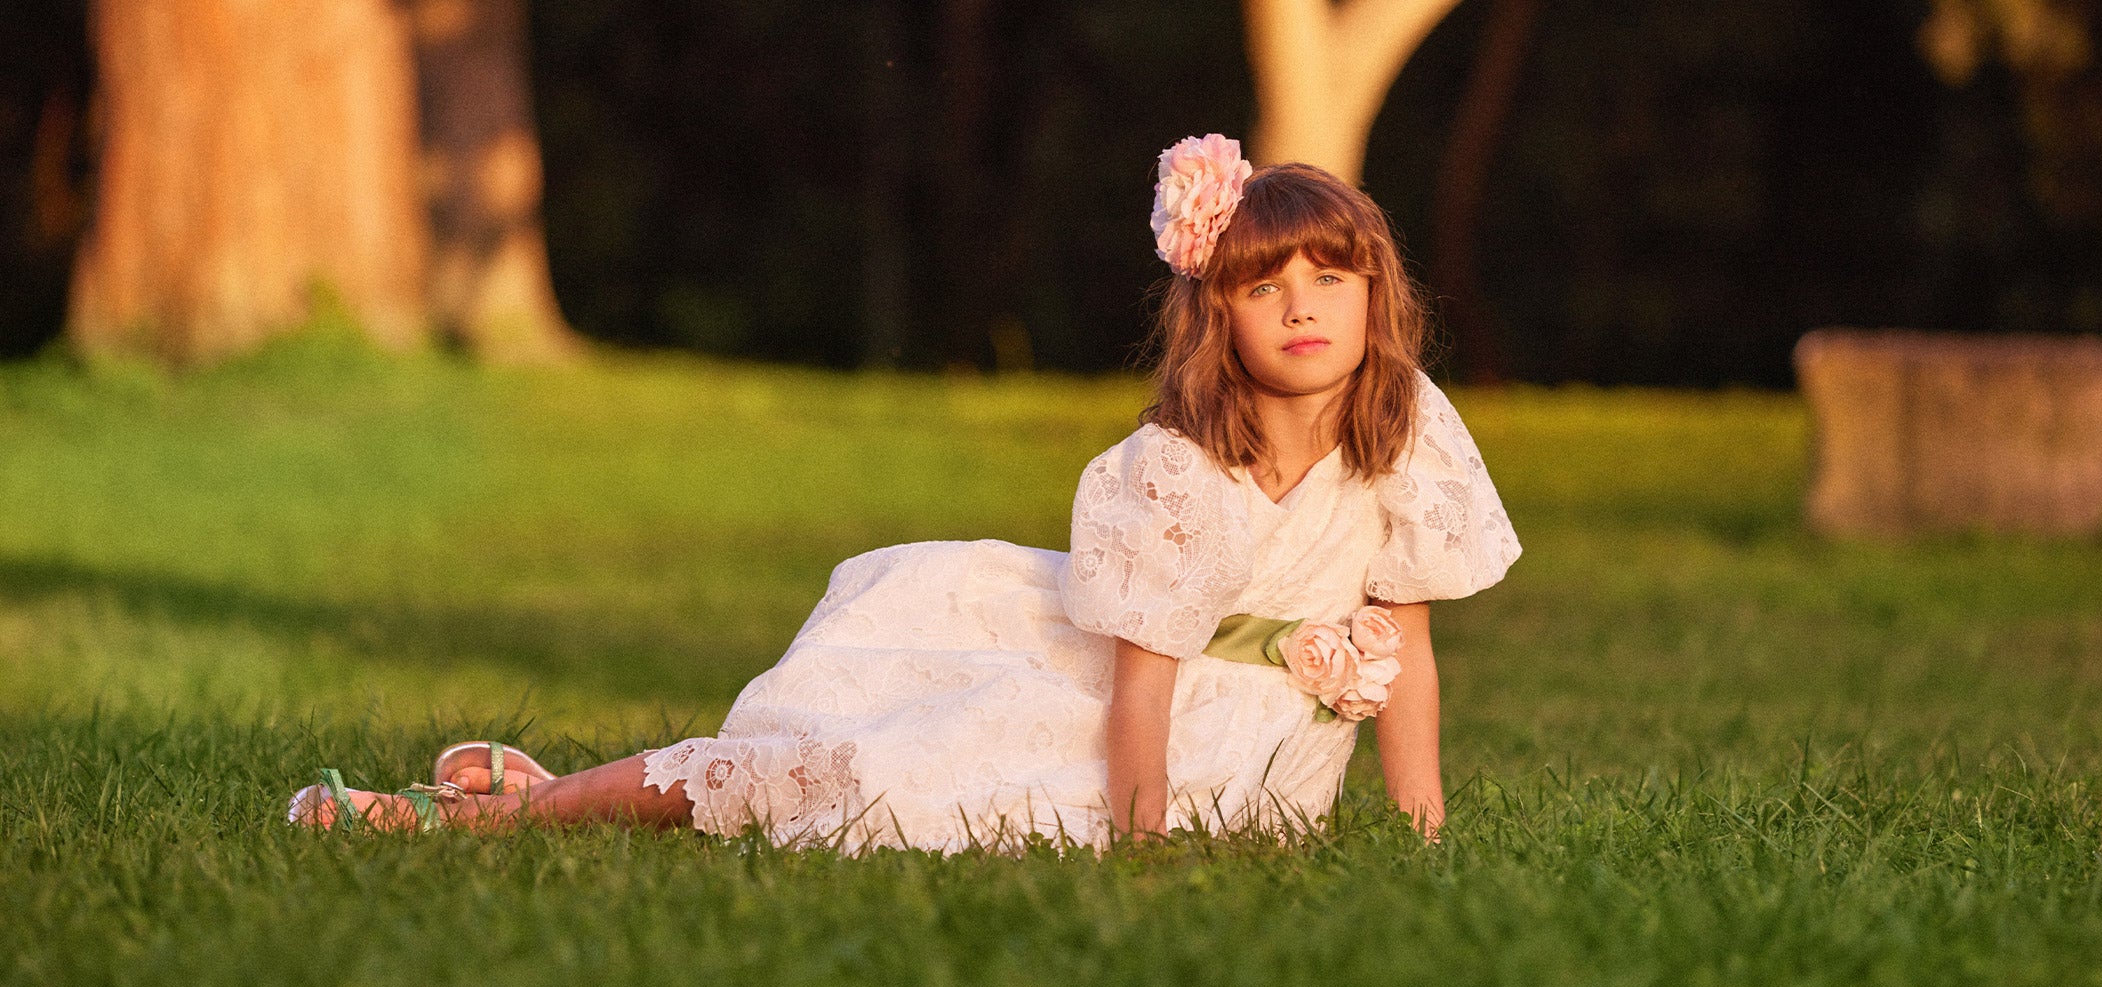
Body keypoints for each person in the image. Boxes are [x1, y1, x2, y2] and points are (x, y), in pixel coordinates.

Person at [289, 135, 1520, 849]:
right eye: (1266, 286)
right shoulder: (1179, 464)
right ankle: (510, 814)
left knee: (897, 789)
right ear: (1219, 311)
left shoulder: (1403, 430)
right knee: (866, 772)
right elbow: (1142, 682)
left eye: (1331, 276)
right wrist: (1142, 855)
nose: (1304, 306)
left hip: (1264, 775)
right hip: (1134, 718)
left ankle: (537, 794)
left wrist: (1424, 838)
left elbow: (1402, 641)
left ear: (1376, 290)